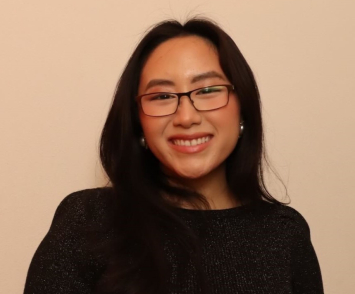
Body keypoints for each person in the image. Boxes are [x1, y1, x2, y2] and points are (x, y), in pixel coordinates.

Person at [24, 18, 324, 294]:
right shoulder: (87, 219)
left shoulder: (284, 234)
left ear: (242, 107)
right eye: (162, 96)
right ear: (138, 120)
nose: (186, 116)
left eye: (207, 90)